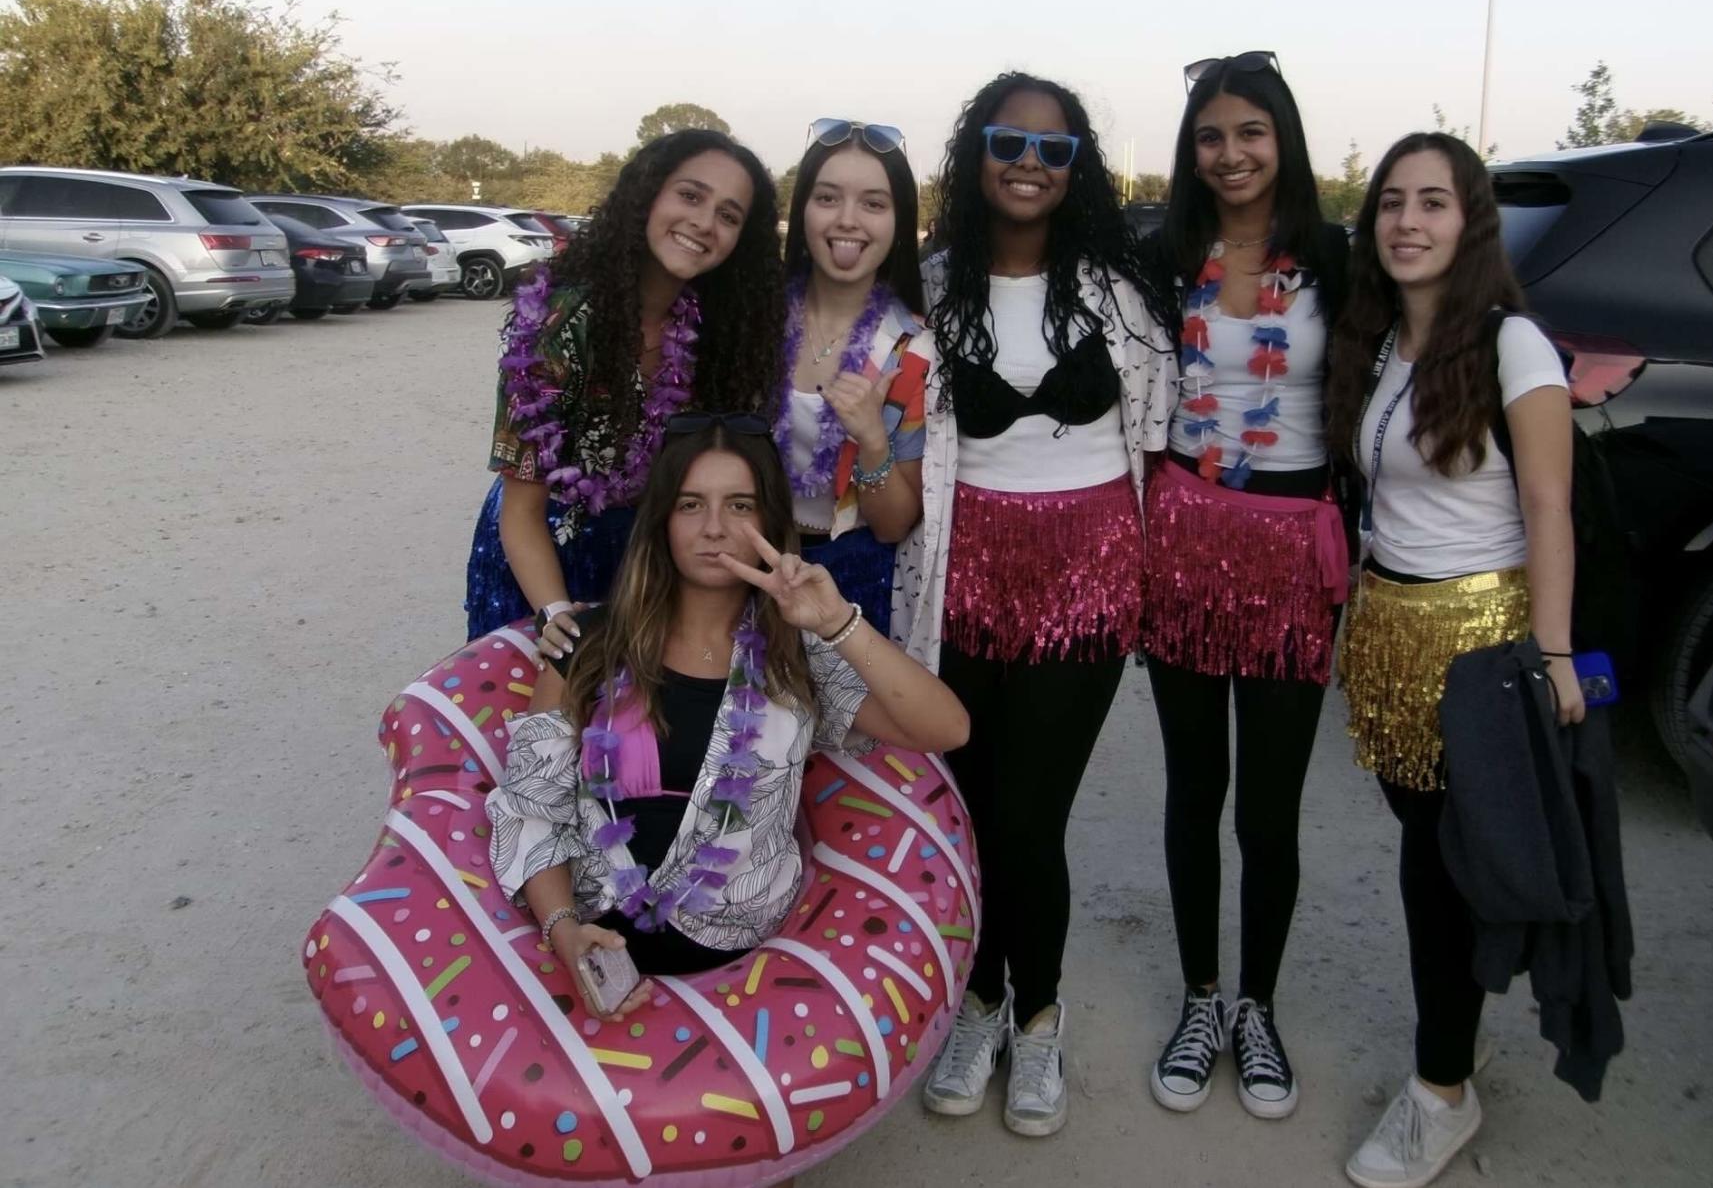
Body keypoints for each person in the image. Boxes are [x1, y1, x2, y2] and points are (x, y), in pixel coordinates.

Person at [906, 71, 1179, 1136]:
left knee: (1032, 812)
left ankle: (1041, 1017)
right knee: (971, 807)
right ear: (976, 152)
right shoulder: (928, 287)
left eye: (1054, 149)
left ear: (1078, 170)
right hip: (963, 570)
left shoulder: (1118, 296)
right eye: (1009, 140)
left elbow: (1157, 440)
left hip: (1088, 571)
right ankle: (979, 1005)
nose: (1029, 161)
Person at [486, 414, 969, 1001]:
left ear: (769, 518)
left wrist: (837, 622)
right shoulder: (587, 644)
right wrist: (564, 931)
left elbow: (947, 728)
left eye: (739, 506)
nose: (714, 528)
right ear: (661, 519)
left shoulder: (799, 655)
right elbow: (533, 807)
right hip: (595, 947)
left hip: (752, 974)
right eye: (691, 505)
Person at [1325, 133, 1585, 1188]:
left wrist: (1556, 653)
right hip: (1389, 632)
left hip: (1481, 647)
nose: (1408, 222)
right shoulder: (1380, 341)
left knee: (1440, 872)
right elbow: (1380, 507)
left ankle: (1441, 1092)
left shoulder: (1512, 342)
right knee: (1428, 851)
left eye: (1434, 202)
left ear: (1470, 220)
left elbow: (1548, 504)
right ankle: (1459, 1021)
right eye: (1392, 201)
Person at [1139, 52, 1351, 1121]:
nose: (1231, 154)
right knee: (1193, 790)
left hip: (1289, 549)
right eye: (1211, 135)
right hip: (1182, 541)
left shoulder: (1334, 259)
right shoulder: (1161, 255)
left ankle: (1257, 1007)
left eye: (1250, 133)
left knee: (1270, 807)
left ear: (1285, 141)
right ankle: (1200, 996)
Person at [466, 130, 785, 642]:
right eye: (690, 195)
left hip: (643, 564)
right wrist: (556, 616)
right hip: (540, 562)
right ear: (648, 194)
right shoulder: (559, 323)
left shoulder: (720, 334)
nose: (704, 223)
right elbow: (521, 508)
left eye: (728, 215)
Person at [773, 118, 933, 637]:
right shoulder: (753, 324)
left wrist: (871, 439)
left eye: (873, 203)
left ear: (899, 220)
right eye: (827, 198)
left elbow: (891, 526)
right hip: (744, 569)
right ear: (801, 212)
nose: (848, 220)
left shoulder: (913, 350)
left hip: (848, 588)